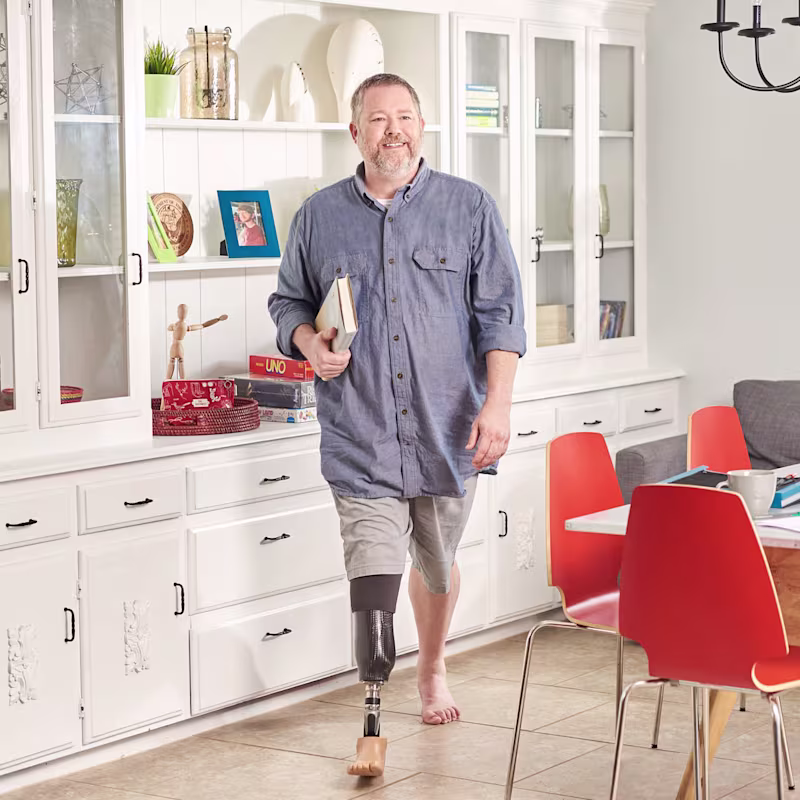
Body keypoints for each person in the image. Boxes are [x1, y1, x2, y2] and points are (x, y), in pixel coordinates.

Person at [268, 73, 525, 778]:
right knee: (373, 569)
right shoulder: (319, 216)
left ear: (422, 125)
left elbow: (502, 315)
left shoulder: (469, 208)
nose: (394, 131)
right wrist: (307, 344)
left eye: (405, 117)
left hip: (450, 431)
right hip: (362, 432)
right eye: (378, 119)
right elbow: (288, 300)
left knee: (436, 565)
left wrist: (497, 404)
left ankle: (433, 665)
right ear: (355, 132)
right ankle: (373, 706)